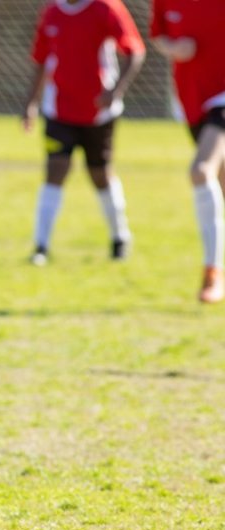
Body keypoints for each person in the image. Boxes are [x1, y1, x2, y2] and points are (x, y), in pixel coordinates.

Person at [21, 0, 145, 266]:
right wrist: (31, 103)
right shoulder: (52, 12)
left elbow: (134, 51)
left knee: (99, 174)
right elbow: (42, 59)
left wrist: (115, 91)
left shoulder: (106, 8)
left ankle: (119, 237)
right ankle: (41, 246)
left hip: (98, 112)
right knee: (55, 169)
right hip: (59, 110)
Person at [151, 0, 225, 303]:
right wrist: (173, 47)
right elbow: (158, 35)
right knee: (219, 184)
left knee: (200, 171)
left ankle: (212, 274)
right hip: (192, 97)